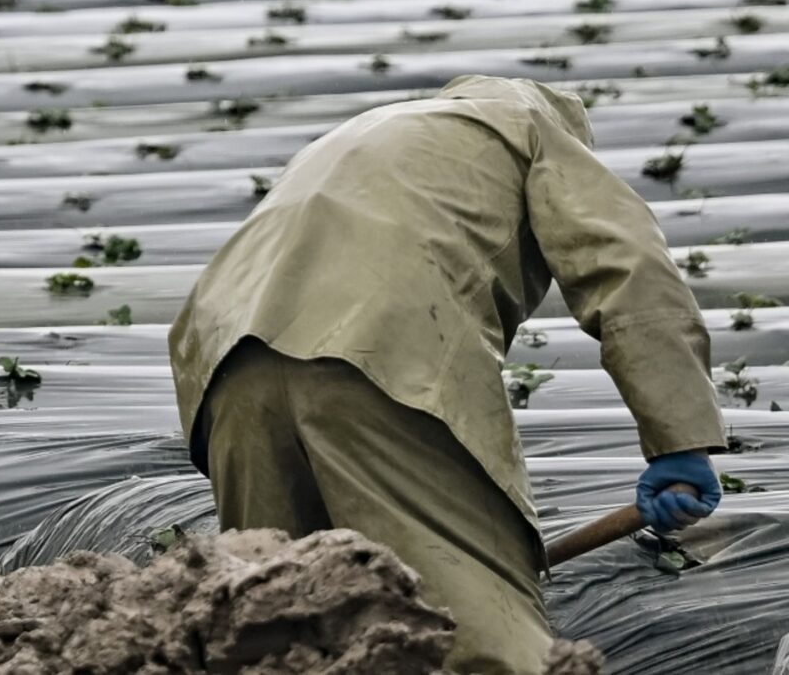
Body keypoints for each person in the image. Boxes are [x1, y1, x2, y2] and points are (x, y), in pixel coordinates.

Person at [169, 75, 725, 675]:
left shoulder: (360, 137)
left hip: (227, 367)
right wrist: (681, 442)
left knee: (275, 631)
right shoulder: (531, 130)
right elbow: (630, 272)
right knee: (478, 642)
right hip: (375, 354)